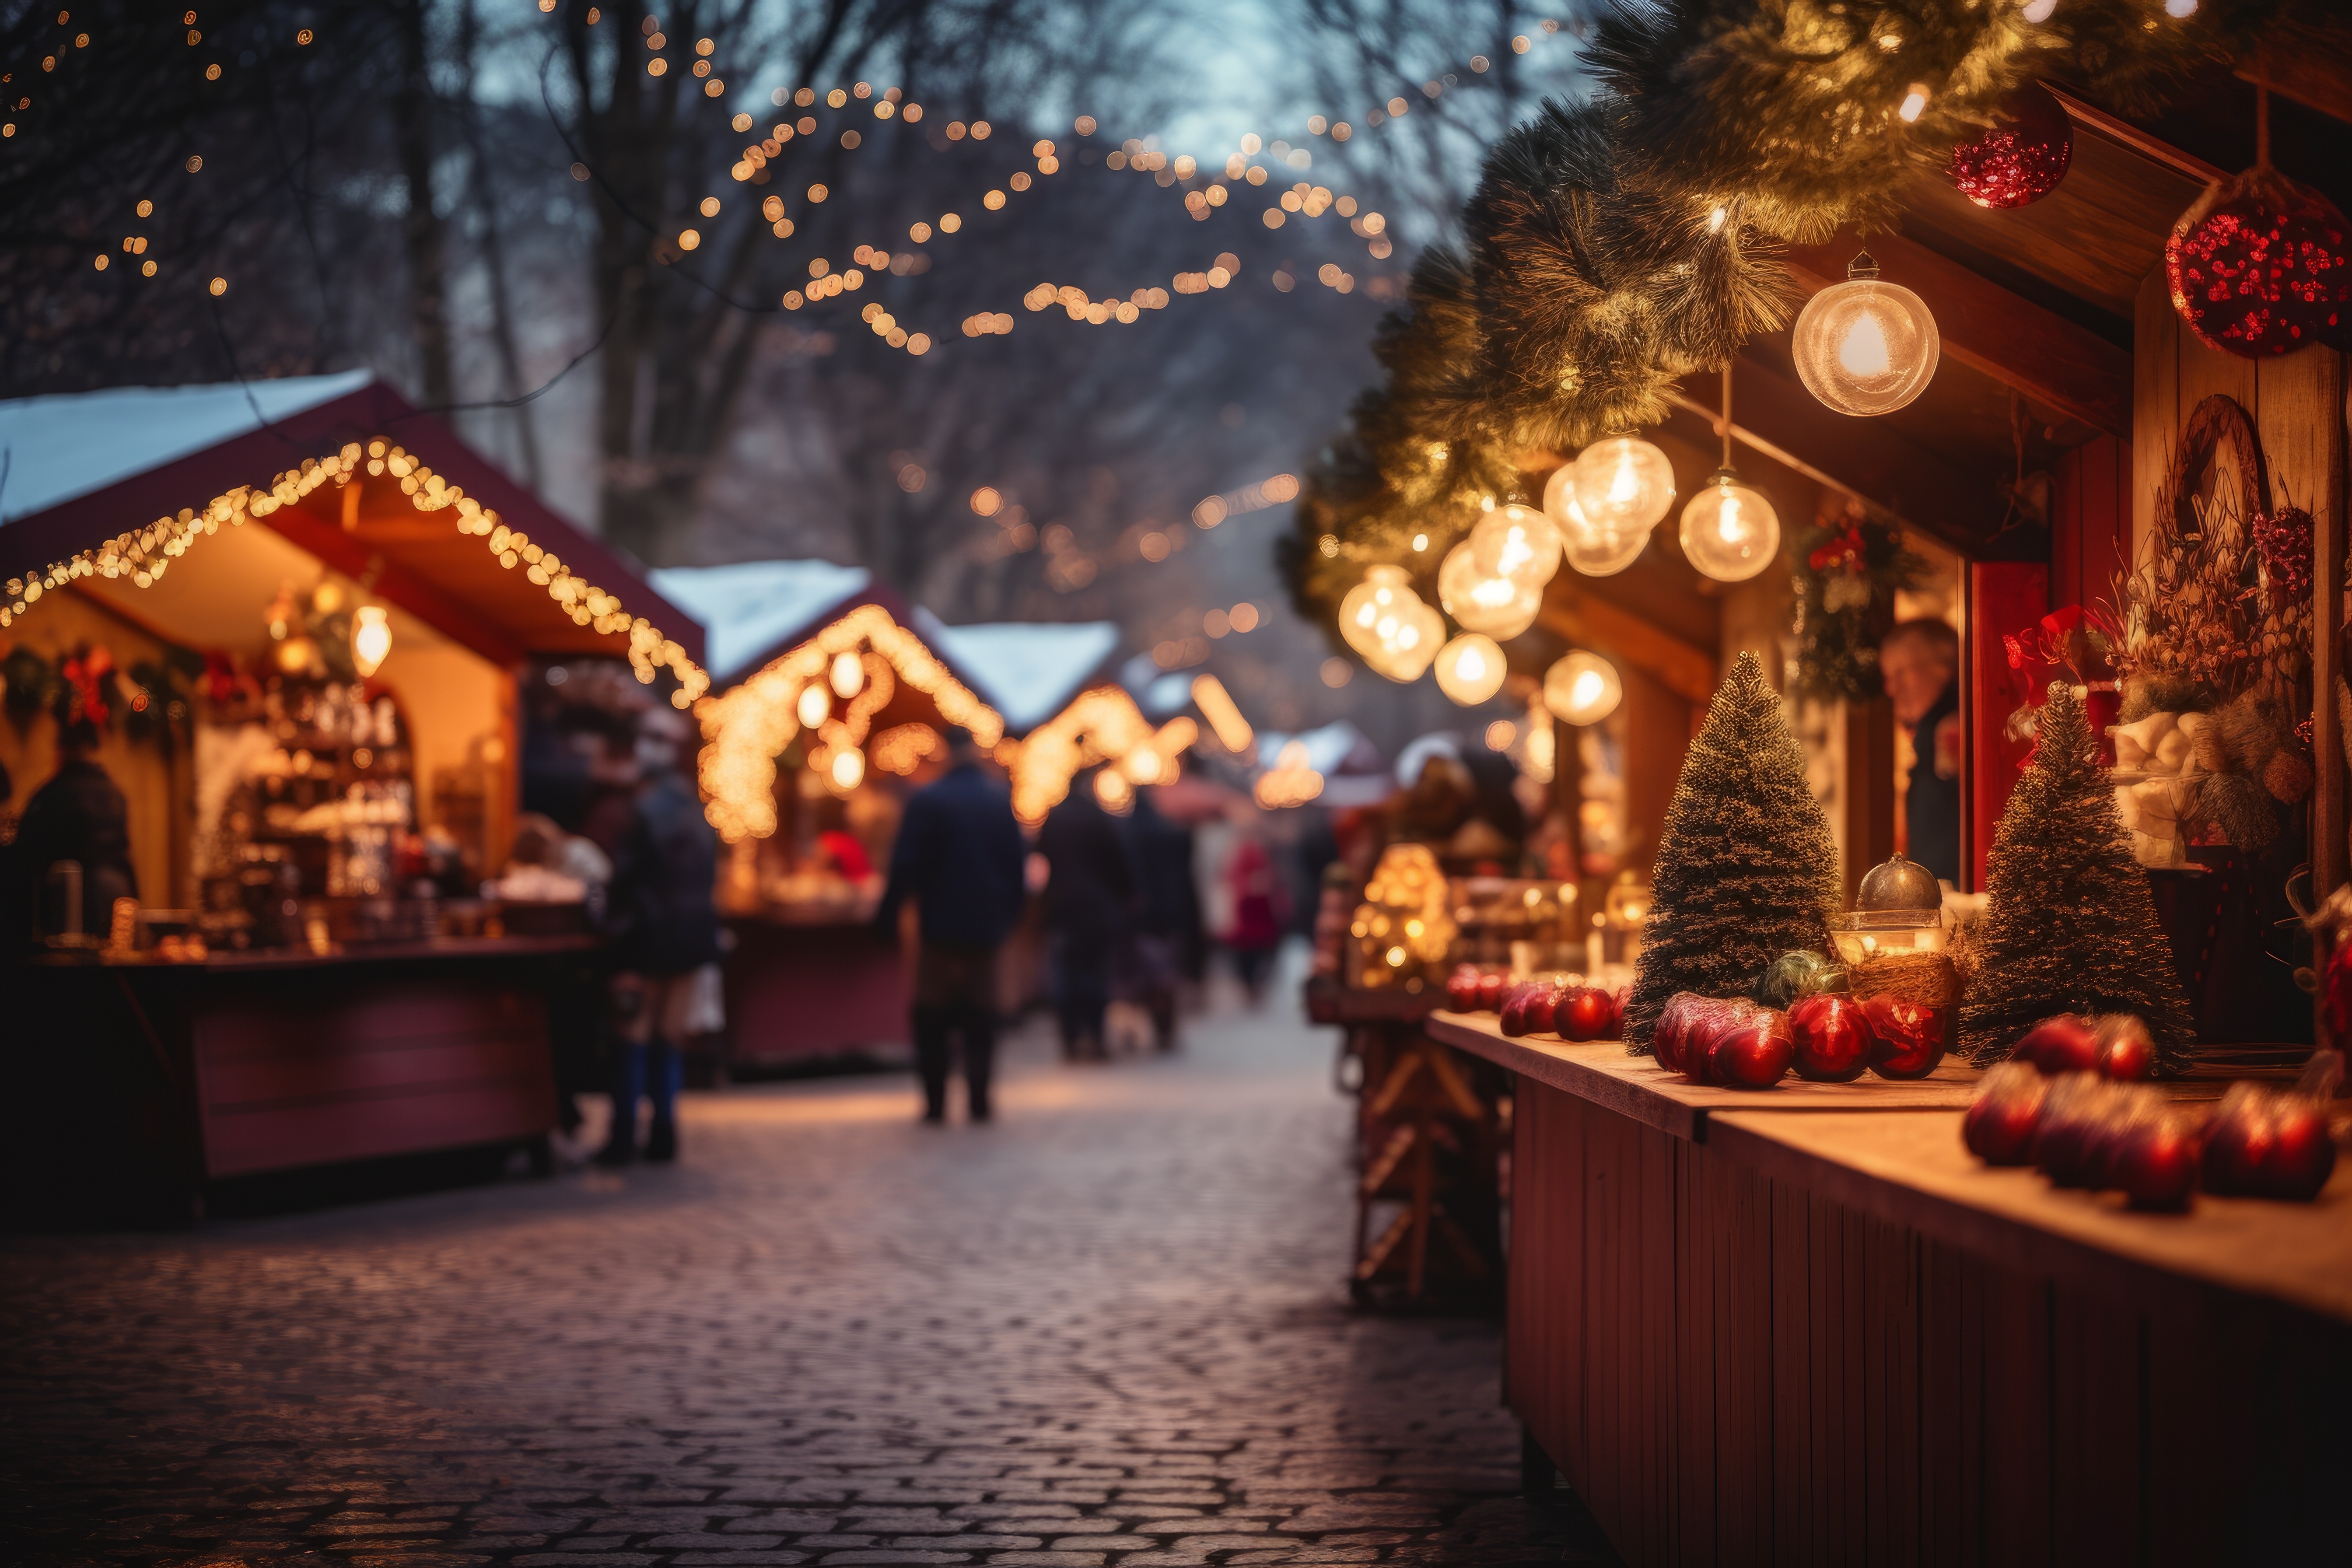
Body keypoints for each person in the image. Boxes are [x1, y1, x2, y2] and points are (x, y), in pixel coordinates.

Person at [875, 726, 1027, 1122]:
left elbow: (905, 863)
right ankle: (980, 1098)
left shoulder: (928, 800)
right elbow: (1016, 866)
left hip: (939, 925)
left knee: (932, 1014)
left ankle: (935, 1101)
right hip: (986, 926)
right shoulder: (997, 800)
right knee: (982, 1013)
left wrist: (888, 915)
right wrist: (1009, 915)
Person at [595, 706, 721, 1165]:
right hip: (691, 940)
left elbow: (625, 888)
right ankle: (665, 1132)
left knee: (633, 1038)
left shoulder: (641, 814)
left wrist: (615, 939)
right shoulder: (696, 811)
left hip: (647, 942)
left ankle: (624, 1135)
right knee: (668, 1040)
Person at [1034, 770, 1138, 1060]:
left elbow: (1040, 855)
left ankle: (1069, 1038)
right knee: (1095, 974)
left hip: (1063, 907)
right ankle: (1094, 1035)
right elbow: (1119, 863)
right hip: (1098, 910)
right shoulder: (1099, 818)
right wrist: (1129, 896)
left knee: (1067, 975)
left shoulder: (1055, 817)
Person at [6, 719, 136, 947]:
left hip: (71, 902)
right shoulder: (115, 793)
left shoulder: (53, 794)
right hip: (116, 896)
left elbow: (27, 852)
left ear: (62, 748)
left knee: (76, 973)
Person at [1880, 617, 1962, 884]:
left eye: (1902, 672)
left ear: (1944, 666)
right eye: (1888, 678)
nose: (1891, 689)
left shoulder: (1955, 729)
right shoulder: (1929, 739)